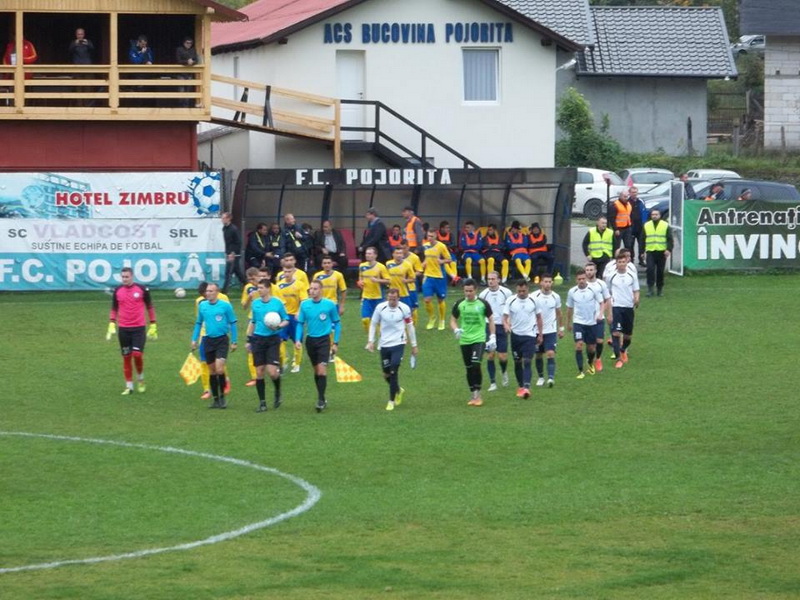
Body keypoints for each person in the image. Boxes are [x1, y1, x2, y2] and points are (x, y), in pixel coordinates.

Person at [107, 267, 157, 395]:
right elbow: (114, 307)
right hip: (123, 329)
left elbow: (150, 307)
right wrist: (112, 322)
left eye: (126, 277)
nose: (124, 279)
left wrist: (153, 324)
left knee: (137, 354)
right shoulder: (118, 291)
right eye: (122, 277)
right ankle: (129, 386)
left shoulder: (142, 289)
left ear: (132, 276)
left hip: (138, 328)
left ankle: (140, 378)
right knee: (126, 357)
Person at [366, 288, 419, 411]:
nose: (392, 301)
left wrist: (414, 345)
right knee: (386, 374)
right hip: (384, 344)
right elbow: (373, 323)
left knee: (393, 370)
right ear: (387, 298)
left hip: (399, 343)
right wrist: (370, 341)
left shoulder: (404, 309)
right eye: (390, 299)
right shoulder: (380, 308)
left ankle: (391, 400)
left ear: (398, 298)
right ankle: (398, 390)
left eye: (394, 299)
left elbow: (410, 327)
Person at [296, 280, 341, 413]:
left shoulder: (329, 305)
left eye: (315, 289)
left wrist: (336, 342)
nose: (312, 291)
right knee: (316, 371)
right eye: (311, 289)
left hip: (324, 341)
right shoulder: (304, 305)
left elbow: (337, 323)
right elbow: (300, 323)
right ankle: (322, 396)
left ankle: (321, 399)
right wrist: (298, 339)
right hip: (310, 341)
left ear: (321, 290)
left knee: (322, 370)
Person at [191, 283, 237, 409]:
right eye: (207, 291)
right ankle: (215, 399)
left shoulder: (225, 306)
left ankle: (222, 397)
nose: (208, 293)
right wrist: (194, 339)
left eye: (211, 291)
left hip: (222, 340)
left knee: (220, 369)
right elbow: (198, 323)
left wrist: (234, 341)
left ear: (217, 292)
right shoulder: (203, 306)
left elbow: (233, 323)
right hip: (207, 340)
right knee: (211, 371)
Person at [451, 279, 495, 407]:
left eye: (470, 291)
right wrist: (456, 329)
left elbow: (491, 319)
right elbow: (453, 320)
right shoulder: (459, 304)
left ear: (475, 290)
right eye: (466, 291)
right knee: (469, 367)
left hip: (479, 338)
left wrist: (492, 336)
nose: (468, 293)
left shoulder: (482, 303)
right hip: (465, 340)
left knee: (476, 364)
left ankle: (478, 394)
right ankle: (473, 393)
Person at [246, 279, 288, 413]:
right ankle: (262, 403)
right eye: (258, 288)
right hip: (258, 339)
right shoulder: (256, 304)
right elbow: (253, 322)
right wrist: (248, 339)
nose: (259, 290)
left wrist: (279, 325)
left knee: (272, 372)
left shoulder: (277, 303)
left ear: (268, 289)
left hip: (272, 339)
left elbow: (286, 319)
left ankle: (277, 391)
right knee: (259, 372)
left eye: (262, 288)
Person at [503, 279, 543, 399]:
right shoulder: (511, 300)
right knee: (517, 362)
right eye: (519, 291)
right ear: (516, 290)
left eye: (523, 291)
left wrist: (540, 334)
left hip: (529, 335)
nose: (521, 293)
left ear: (527, 290)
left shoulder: (534, 301)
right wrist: (506, 325)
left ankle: (526, 387)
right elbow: (504, 317)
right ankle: (520, 386)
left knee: (527, 361)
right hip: (515, 336)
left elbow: (539, 318)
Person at [566, 269, 605, 379]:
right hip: (578, 322)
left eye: (583, 279)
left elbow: (602, 303)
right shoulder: (572, 292)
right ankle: (580, 371)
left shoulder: (593, 290)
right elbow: (569, 308)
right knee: (579, 345)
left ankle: (590, 362)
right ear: (576, 280)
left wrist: (600, 314)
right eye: (579, 279)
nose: (581, 281)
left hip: (591, 323)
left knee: (591, 348)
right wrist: (568, 323)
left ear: (586, 279)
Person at [478, 271, 513, 391]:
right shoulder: (483, 294)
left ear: (499, 280)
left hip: (502, 326)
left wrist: (509, 323)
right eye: (489, 279)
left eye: (493, 279)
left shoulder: (506, 292)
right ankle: (493, 382)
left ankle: (503, 372)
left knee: (502, 356)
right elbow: (480, 312)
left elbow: (512, 308)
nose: (490, 281)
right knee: (491, 355)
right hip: (488, 327)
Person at [604, 254, 640, 369]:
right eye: (619, 262)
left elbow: (636, 289)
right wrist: (609, 310)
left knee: (628, 336)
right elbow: (607, 293)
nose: (621, 264)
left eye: (623, 262)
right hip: (616, 307)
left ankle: (623, 349)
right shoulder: (611, 276)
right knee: (616, 333)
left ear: (626, 263)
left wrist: (637, 299)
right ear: (616, 263)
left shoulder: (632, 275)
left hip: (628, 307)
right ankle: (619, 358)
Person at [276, 253, 309, 372]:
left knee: (297, 341)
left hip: (296, 316)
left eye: (289, 272)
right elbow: (277, 301)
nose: (286, 274)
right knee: (280, 339)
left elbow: (304, 299)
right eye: (285, 271)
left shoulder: (299, 285)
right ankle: (284, 360)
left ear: (293, 272)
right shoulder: (279, 285)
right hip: (284, 317)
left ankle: (297, 363)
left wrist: (300, 312)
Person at [531, 274, 563, 388]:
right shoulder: (534, 296)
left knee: (550, 353)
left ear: (552, 283)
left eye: (549, 282)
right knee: (538, 355)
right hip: (536, 331)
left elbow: (559, 313)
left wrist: (561, 328)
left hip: (550, 330)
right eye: (545, 281)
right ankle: (540, 377)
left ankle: (550, 378)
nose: (547, 284)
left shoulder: (556, 297)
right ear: (541, 282)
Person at [421, 229, 452, 330]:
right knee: (427, 300)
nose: (429, 238)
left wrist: (441, 261)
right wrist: (424, 263)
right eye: (428, 236)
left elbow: (449, 259)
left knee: (440, 300)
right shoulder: (425, 245)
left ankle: (442, 320)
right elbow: (427, 257)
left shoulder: (441, 246)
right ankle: (432, 318)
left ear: (436, 236)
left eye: (432, 236)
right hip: (428, 276)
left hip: (439, 277)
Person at [583, 262, 612, 372]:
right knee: (590, 345)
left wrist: (605, 313)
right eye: (587, 270)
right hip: (586, 319)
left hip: (599, 318)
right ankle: (590, 361)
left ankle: (598, 359)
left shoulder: (601, 284)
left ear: (595, 271)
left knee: (599, 341)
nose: (589, 272)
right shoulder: (582, 284)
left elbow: (607, 299)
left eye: (591, 270)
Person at [641, 208, 673, 297]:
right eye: (653, 215)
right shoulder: (646, 225)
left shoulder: (665, 225)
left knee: (660, 271)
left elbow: (670, 239)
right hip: (650, 251)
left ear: (660, 215)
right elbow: (642, 239)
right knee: (650, 270)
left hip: (661, 251)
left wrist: (668, 249)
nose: (654, 216)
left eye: (656, 214)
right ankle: (650, 289)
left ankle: (659, 289)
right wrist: (642, 251)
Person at [358, 246, 390, 332]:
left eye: (369, 253)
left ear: (375, 255)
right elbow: (360, 279)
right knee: (365, 320)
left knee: (379, 321)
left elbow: (388, 281)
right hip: (366, 297)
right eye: (366, 253)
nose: (367, 255)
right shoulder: (362, 266)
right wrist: (360, 283)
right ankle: (370, 338)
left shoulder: (381, 267)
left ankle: (381, 338)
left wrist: (377, 280)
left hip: (378, 297)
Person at [386, 246, 417, 313]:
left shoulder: (407, 265)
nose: (398, 255)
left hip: (404, 293)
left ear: (403, 255)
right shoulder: (388, 264)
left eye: (400, 253)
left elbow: (413, 279)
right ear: (393, 254)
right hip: (392, 294)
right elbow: (386, 277)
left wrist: (406, 281)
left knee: (407, 313)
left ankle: (411, 323)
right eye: (397, 253)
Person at [221, 212, 246, 293]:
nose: (222, 220)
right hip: (229, 253)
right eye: (222, 218)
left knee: (228, 272)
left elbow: (238, 242)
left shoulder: (233, 229)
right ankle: (247, 285)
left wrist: (233, 253)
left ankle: (224, 291)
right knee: (237, 272)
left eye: (224, 218)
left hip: (234, 254)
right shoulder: (225, 228)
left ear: (229, 218)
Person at [400, 240, 423, 322]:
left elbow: (419, 271)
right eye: (401, 248)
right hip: (400, 287)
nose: (402, 251)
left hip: (411, 286)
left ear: (408, 247)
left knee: (413, 308)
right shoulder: (397, 258)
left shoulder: (414, 258)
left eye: (404, 248)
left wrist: (410, 276)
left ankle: (413, 327)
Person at [175, 36, 198, 108]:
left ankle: (186, 107)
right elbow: (178, 60)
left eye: (190, 43)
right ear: (184, 43)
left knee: (188, 92)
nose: (189, 44)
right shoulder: (179, 50)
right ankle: (180, 107)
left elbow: (196, 60)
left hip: (189, 74)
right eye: (187, 43)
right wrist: (186, 62)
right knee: (181, 92)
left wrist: (192, 62)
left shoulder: (193, 50)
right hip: (181, 74)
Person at [628, 187, 647, 266]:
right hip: (631, 227)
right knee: (630, 245)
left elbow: (644, 212)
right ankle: (631, 260)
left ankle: (641, 260)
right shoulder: (627, 202)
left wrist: (644, 223)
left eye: (635, 192)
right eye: (632, 192)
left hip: (640, 227)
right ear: (630, 193)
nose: (634, 194)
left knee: (642, 244)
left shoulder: (640, 201)